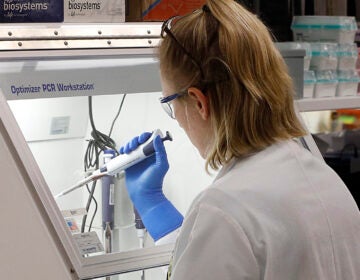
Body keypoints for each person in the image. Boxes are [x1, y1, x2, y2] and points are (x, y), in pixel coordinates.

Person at [119, 0, 360, 279]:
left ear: (199, 102)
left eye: (170, 102)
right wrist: (153, 207)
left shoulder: (224, 208)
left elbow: (231, 244)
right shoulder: (326, 181)